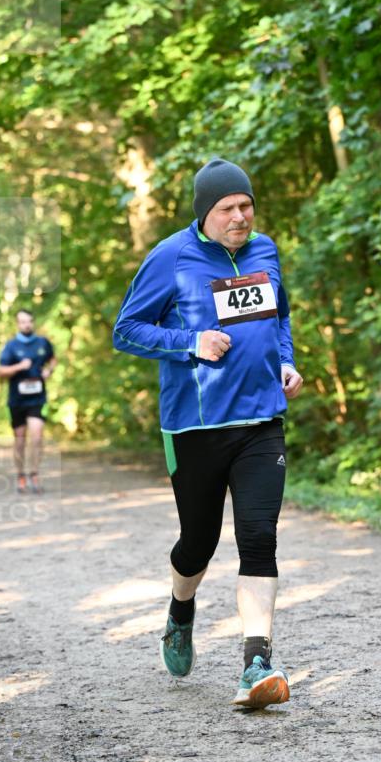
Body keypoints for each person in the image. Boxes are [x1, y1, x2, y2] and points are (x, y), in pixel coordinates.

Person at [113, 157, 304, 709]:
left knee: (258, 537)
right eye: (228, 208)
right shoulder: (171, 256)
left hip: (261, 423)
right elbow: (127, 330)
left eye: (247, 205)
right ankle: (180, 611)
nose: (241, 217)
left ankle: (257, 664)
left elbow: (279, 318)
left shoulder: (265, 250)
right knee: (198, 542)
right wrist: (191, 341)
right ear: (205, 212)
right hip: (194, 428)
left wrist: (286, 362)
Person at [0, 309, 56, 494]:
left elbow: (53, 359)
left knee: (37, 436)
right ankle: (20, 475)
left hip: (37, 398)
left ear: (33, 322)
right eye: (22, 322)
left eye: (29, 321)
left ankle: (35, 474)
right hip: (17, 400)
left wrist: (49, 371)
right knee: (20, 441)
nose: (27, 324)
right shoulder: (11, 346)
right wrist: (19, 367)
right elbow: (0, 371)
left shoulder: (42, 342)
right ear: (17, 324)